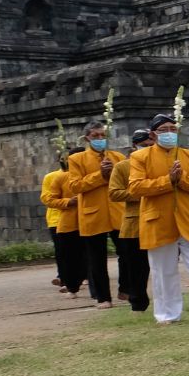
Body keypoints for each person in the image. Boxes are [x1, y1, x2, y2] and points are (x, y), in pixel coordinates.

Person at [131, 113, 189, 325]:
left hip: (187, 217)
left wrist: (181, 179)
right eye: (164, 130)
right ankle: (167, 314)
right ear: (153, 134)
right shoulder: (140, 158)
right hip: (158, 219)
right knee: (163, 270)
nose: (169, 133)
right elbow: (136, 187)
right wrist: (167, 181)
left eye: (173, 129)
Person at [63, 119, 120, 308]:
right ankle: (103, 297)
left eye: (103, 135)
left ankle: (127, 289)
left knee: (129, 253)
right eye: (95, 136)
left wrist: (111, 173)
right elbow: (75, 185)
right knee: (97, 259)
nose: (100, 139)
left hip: (117, 211)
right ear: (87, 138)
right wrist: (99, 176)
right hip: (93, 213)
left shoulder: (117, 157)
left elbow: (126, 180)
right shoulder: (76, 159)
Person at [108, 128, 155, 312]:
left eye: (151, 145)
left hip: (158, 218)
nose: (148, 149)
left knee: (162, 263)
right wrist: (140, 193)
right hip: (134, 221)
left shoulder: (159, 162)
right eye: (144, 145)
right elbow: (114, 193)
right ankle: (138, 302)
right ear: (134, 146)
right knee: (136, 265)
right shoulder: (122, 166)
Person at [42, 157, 82, 295]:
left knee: (78, 251)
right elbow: (47, 198)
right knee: (63, 252)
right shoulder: (53, 177)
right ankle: (64, 278)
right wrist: (67, 202)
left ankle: (78, 277)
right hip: (56, 219)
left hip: (80, 219)